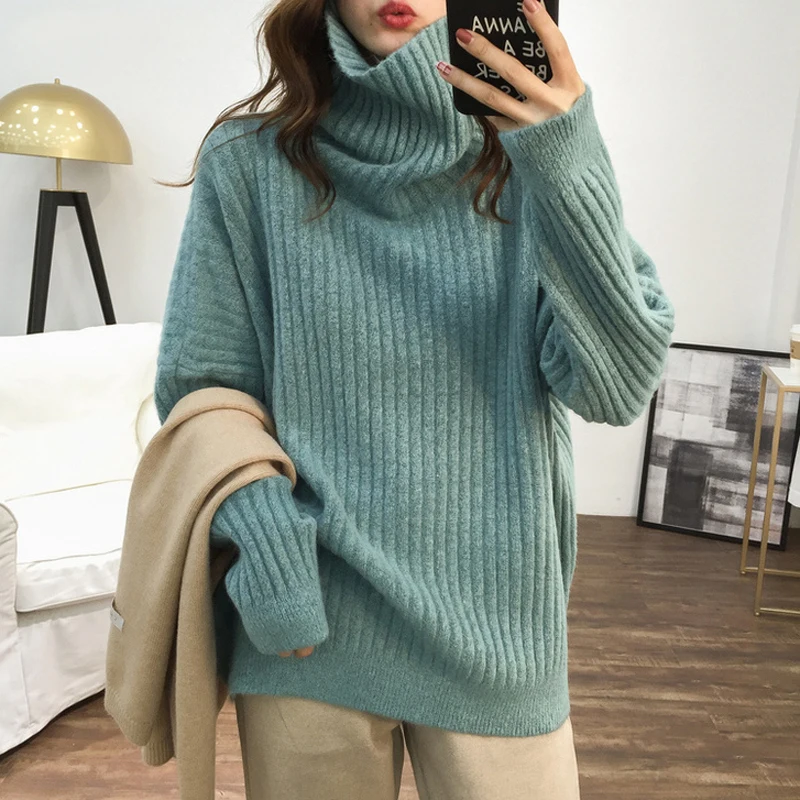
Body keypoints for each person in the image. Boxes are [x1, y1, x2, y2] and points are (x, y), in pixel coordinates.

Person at [154, 0, 676, 797]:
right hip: (313, 618)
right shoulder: (248, 163)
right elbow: (205, 387)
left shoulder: (533, 160)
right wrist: (268, 546)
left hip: (500, 630)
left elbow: (614, 388)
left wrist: (566, 163)